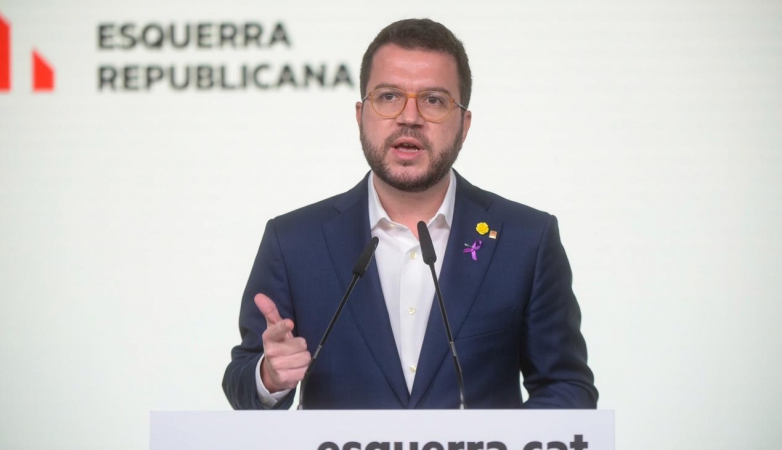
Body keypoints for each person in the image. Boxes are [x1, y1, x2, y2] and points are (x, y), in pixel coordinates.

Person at [222, 18, 597, 410]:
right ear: (359, 114)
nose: (409, 116)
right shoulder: (295, 241)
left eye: (434, 100)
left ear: (464, 125)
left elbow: (566, 388)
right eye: (388, 97)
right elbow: (242, 382)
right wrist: (269, 377)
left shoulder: (526, 239)